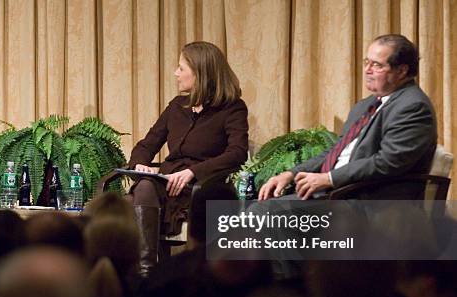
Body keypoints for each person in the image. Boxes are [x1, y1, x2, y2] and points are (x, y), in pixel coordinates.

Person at [258, 34, 436, 201]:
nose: (367, 70)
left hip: (370, 201)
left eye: (377, 65)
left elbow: (388, 162)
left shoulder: (413, 107)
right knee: (257, 206)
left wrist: (329, 179)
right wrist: (291, 174)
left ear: (402, 71)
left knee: (263, 215)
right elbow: (336, 151)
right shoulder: (366, 105)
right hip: (338, 193)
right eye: (367, 62)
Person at [128, 41, 249, 274]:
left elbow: (237, 152)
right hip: (164, 183)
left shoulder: (232, 108)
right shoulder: (177, 106)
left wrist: (194, 172)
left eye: (181, 68)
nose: (176, 73)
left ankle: (148, 274)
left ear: (200, 73)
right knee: (124, 201)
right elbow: (147, 144)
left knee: (139, 195)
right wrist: (140, 164)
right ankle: (148, 273)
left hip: (199, 186)